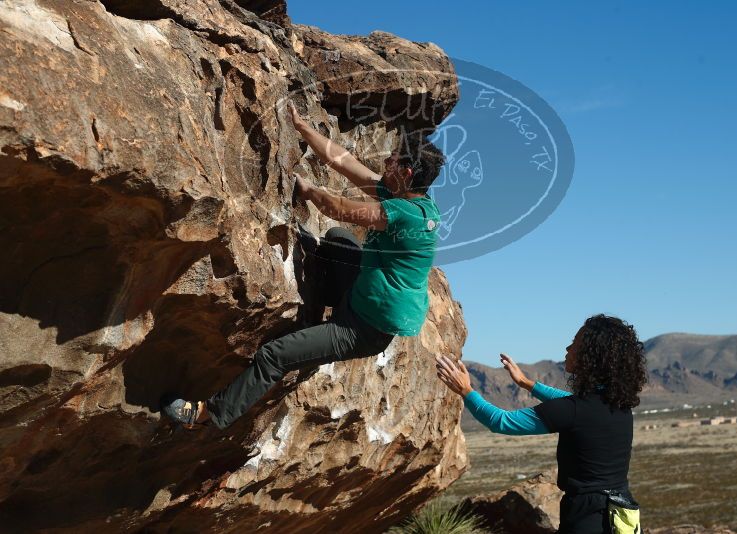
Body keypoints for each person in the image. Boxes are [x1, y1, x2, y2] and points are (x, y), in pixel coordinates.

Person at [161, 102, 443, 430]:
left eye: (392, 160)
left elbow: (340, 208)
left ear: (406, 173)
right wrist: (302, 127)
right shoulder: (408, 196)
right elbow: (347, 163)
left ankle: (200, 414)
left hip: (363, 328)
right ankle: (315, 313)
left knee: (274, 355)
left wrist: (309, 191)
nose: (385, 162)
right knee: (337, 239)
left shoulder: (408, 214)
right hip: (365, 295)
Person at [435, 314, 647, 534]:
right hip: (620, 514)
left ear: (590, 355)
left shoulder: (575, 409)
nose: (567, 348)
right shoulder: (618, 403)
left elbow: (501, 422)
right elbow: (569, 404)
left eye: (575, 343)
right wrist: (526, 383)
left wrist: (466, 391)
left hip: (588, 519)